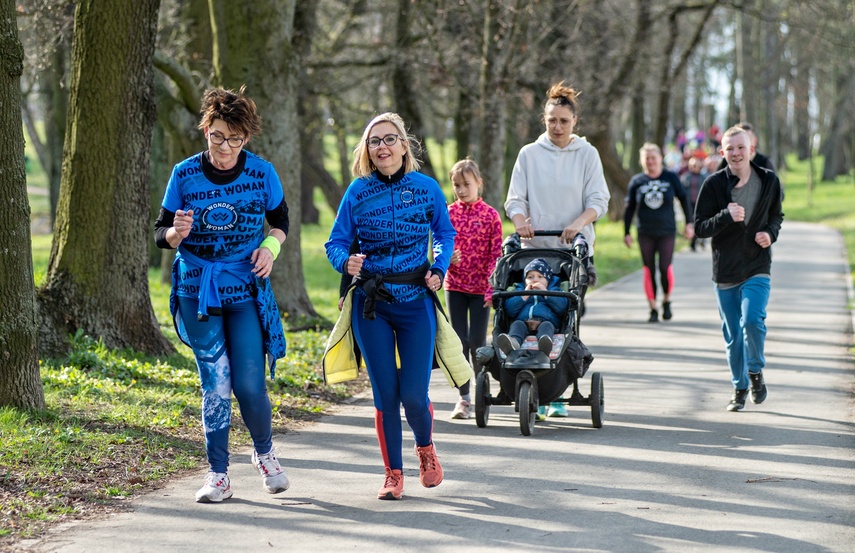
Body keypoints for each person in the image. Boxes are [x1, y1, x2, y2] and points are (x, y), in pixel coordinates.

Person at [154, 86, 290, 503]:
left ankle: (264, 453)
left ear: (245, 138)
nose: (225, 147)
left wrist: (270, 248)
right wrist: (178, 232)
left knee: (249, 385)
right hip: (199, 292)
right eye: (217, 136)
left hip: (245, 290)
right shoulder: (185, 173)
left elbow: (281, 221)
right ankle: (218, 475)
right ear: (206, 131)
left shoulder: (262, 173)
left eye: (234, 138)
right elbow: (161, 233)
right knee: (215, 382)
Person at [324, 112, 468, 500]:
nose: (382, 147)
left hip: (415, 301)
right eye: (375, 142)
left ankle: (425, 448)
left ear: (405, 146)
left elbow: (444, 232)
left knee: (414, 396)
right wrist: (345, 262)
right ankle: (392, 474)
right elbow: (335, 242)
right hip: (372, 304)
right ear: (367, 151)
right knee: (385, 395)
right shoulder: (357, 191)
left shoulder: (426, 188)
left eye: (390, 139)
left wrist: (438, 266)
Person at [504, 81, 610, 418]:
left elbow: (599, 200)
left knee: (565, 319)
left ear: (574, 121)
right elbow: (514, 200)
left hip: (572, 252)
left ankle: (556, 389)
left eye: (564, 121)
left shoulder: (587, 154)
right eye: (552, 121)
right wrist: (520, 220)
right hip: (533, 251)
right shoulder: (529, 154)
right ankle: (526, 380)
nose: (557, 127)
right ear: (544, 120)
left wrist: (578, 224)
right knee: (522, 314)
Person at [694, 126, 784, 412]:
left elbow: (776, 216)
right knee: (733, 335)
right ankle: (739, 387)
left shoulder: (769, 180)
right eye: (730, 148)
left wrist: (770, 233)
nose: (735, 153)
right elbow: (699, 228)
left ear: (751, 149)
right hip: (726, 271)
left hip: (757, 264)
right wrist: (725, 215)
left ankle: (755, 371)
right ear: (722, 152)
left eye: (740, 147)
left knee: (753, 321)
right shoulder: (713, 185)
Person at [444, 158, 503, 420]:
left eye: (466, 184)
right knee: (459, 341)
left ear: (479, 183)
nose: (461, 189)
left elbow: (495, 255)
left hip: (480, 289)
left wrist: (491, 288)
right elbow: (439, 246)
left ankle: (482, 392)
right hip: (454, 286)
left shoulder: (491, 216)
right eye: (456, 185)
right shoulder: (447, 213)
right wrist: (447, 258)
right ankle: (463, 398)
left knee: (477, 342)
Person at [624, 143, 694, 322]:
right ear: (642, 161)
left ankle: (667, 300)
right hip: (644, 231)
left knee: (664, 267)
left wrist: (689, 223)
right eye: (646, 158)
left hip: (667, 231)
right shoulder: (637, 181)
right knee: (649, 269)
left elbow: (684, 199)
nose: (650, 161)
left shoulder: (670, 177)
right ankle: (653, 307)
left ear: (660, 159)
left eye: (653, 158)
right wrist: (626, 232)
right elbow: (630, 207)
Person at [494, 258, 568, 356]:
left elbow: (562, 308)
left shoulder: (554, 290)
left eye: (540, 276)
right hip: (524, 321)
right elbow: (510, 310)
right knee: (517, 325)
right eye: (530, 277)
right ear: (524, 280)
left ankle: (545, 344)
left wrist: (546, 293)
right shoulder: (519, 291)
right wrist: (524, 296)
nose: (535, 280)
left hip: (546, 321)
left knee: (546, 326)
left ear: (548, 280)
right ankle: (512, 343)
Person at [681, 157, 708, 251]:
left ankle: (701, 240)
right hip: (689, 204)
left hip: (700, 203)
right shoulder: (686, 177)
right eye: (693, 166)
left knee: (700, 222)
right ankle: (693, 242)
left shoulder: (704, 177)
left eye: (696, 165)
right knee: (691, 222)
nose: (695, 167)